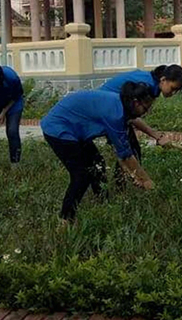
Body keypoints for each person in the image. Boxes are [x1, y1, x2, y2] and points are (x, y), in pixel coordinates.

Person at [41, 82, 155, 223]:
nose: (146, 113)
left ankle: (103, 203)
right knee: (81, 176)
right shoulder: (115, 115)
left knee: (97, 164)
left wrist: (134, 174)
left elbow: (121, 152)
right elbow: (125, 154)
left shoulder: (121, 104)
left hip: (76, 130)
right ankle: (65, 219)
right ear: (136, 102)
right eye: (146, 108)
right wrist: (147, 181)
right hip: (58, 129)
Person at [99, 65, 182, 154]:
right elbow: (132, 116)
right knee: (129, 152)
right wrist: (157, 136)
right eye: (173, 88)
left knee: (131, 150)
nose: (173, 93)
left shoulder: (151, 82)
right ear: (163, 80)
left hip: (111, 108)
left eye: (177, 90)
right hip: (104, 108)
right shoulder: (145, 87)